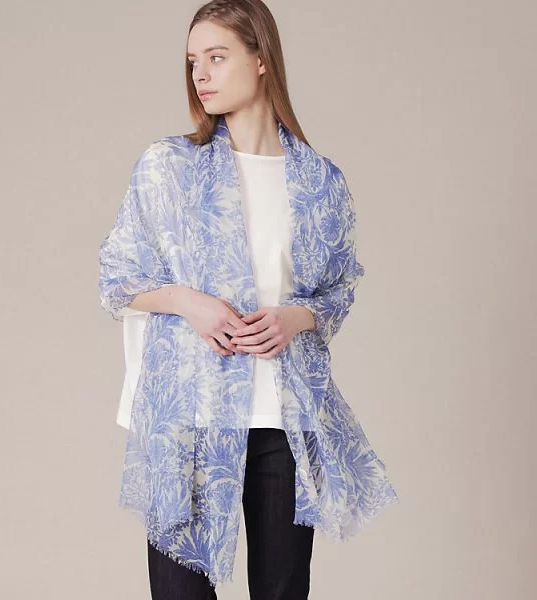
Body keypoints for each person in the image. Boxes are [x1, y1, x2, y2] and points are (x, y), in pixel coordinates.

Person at [98, 1, 400, 598]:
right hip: (188, 416)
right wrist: (188, 301)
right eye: (193, 62)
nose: (200, 75)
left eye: (217, 57)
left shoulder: (319, 181)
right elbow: (118, 276)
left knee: (282, 591)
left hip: (282, 418)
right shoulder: (169, 168)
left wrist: (298, 316)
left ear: (261, 59)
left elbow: (338, 288)